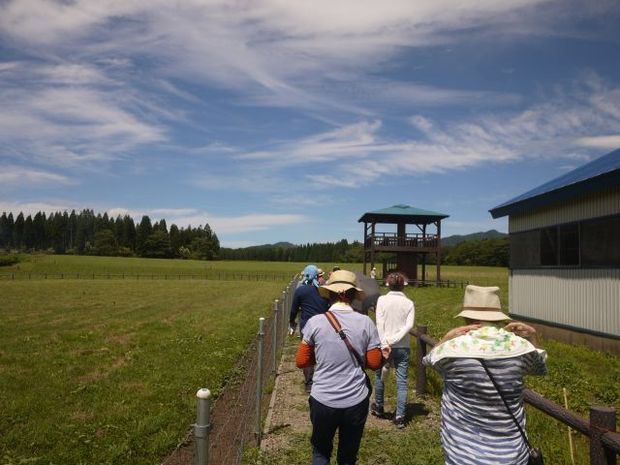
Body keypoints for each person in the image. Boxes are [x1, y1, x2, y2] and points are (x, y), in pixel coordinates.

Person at [423, 285, 547, 465]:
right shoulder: (520, 349)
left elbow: (428, 360)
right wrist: (533, 337)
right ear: (498, 317)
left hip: (462, 454)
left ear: (466, 317)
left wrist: (446, 338)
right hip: (512, 455)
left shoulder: (451, 351)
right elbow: (539, 368)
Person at [296, 270, 382, 465]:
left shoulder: (314, 323)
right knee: (348, 456)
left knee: (320, 452)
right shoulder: (366, 323)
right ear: (351, 295)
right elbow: (374, 363)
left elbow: (302, 361)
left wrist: (324, 356)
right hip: (355, 400)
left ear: (332, 294)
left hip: (323, 399)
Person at [371, 272, 415, 428]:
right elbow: (408, 326)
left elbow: (379, 323)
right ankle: (400, 416)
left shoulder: (381, 300)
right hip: (403, 346)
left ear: (387, 284)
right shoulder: (409, 303)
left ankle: (379, 407)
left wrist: (385, 343)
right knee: (402, 382)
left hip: (384, 346)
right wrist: (395, 339)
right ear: (403, 286)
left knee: (380, 376)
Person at [290, 264, 330, 392]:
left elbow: (293, 310)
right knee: (322, 352)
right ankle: (324, 380)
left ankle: (309, 383)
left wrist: (291, 322)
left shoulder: (300, 291)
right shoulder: (324, 291)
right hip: (323, 326)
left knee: (307, 354)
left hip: (306, 326)